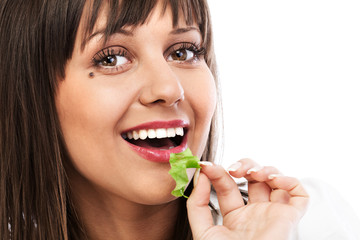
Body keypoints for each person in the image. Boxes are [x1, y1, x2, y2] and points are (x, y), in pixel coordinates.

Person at [0, 0, 312, 239]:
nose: (169, 88)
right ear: (30, 90)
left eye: (183, 52)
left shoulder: (303, 220)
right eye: (112, 58)